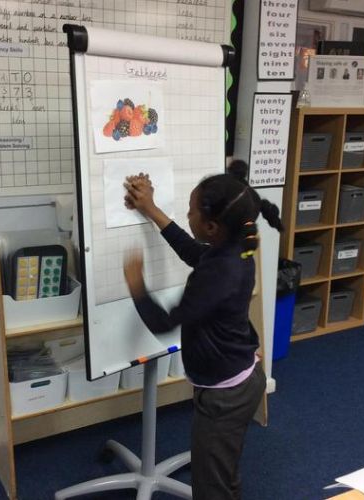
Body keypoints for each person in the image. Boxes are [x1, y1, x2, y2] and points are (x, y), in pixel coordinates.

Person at [122, 160, 283, 500]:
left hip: (225, 396)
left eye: (191, 211)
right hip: (237, 376)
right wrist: (152, 210)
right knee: (222, 472)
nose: (187, 214)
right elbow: (192, 251)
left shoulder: (218, 274)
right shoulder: (234, 249)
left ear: (211, 227)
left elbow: (164, 322)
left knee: (211, 486)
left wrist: (136, 284)